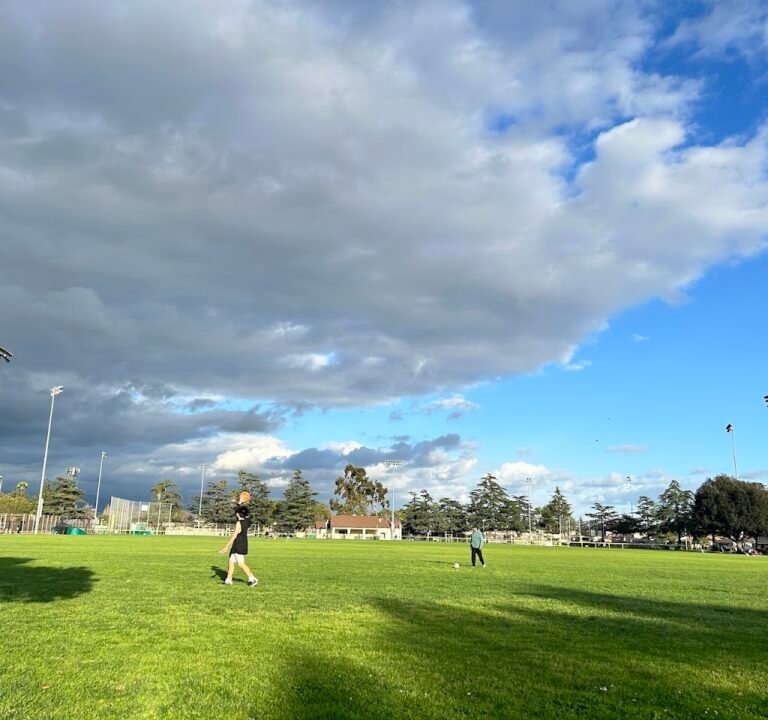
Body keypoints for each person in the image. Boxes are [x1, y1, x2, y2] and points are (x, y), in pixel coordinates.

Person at [219, 504, 258, 587]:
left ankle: (252, 579)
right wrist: (240, 504)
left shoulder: (239, 523)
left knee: (241, 563)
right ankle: (228, 580)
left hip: (238, 545)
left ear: (237, 514)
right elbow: (246, 514)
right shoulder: (247, 521)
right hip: (242, 544)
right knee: (231, 561)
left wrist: (226, 547)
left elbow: (234, 536)